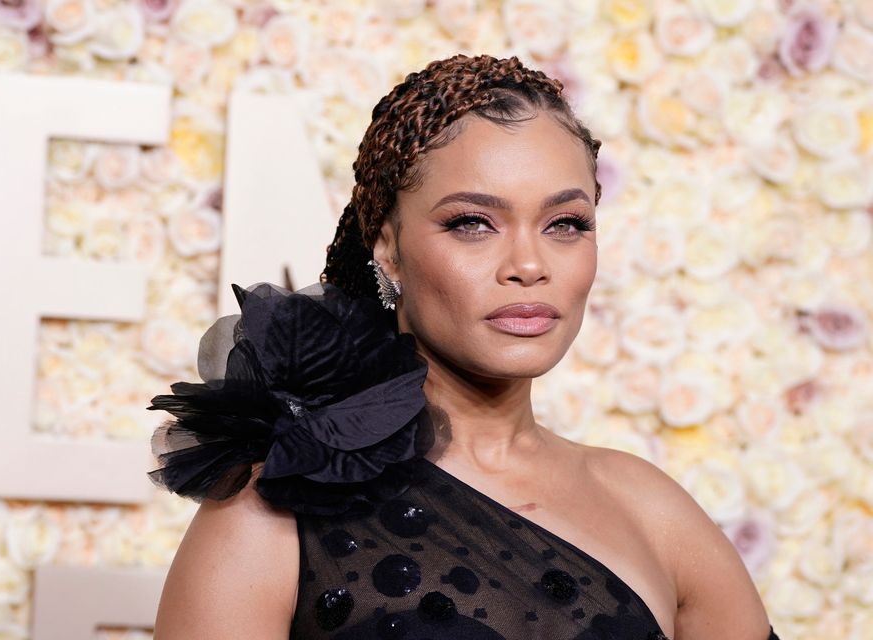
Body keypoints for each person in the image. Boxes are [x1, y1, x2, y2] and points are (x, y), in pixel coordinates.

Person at [147, 54, 780, 639]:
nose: (529, 264)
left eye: (566, 223)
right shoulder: (277, 506)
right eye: (472, 223)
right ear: (388, 249)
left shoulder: (649, 507)